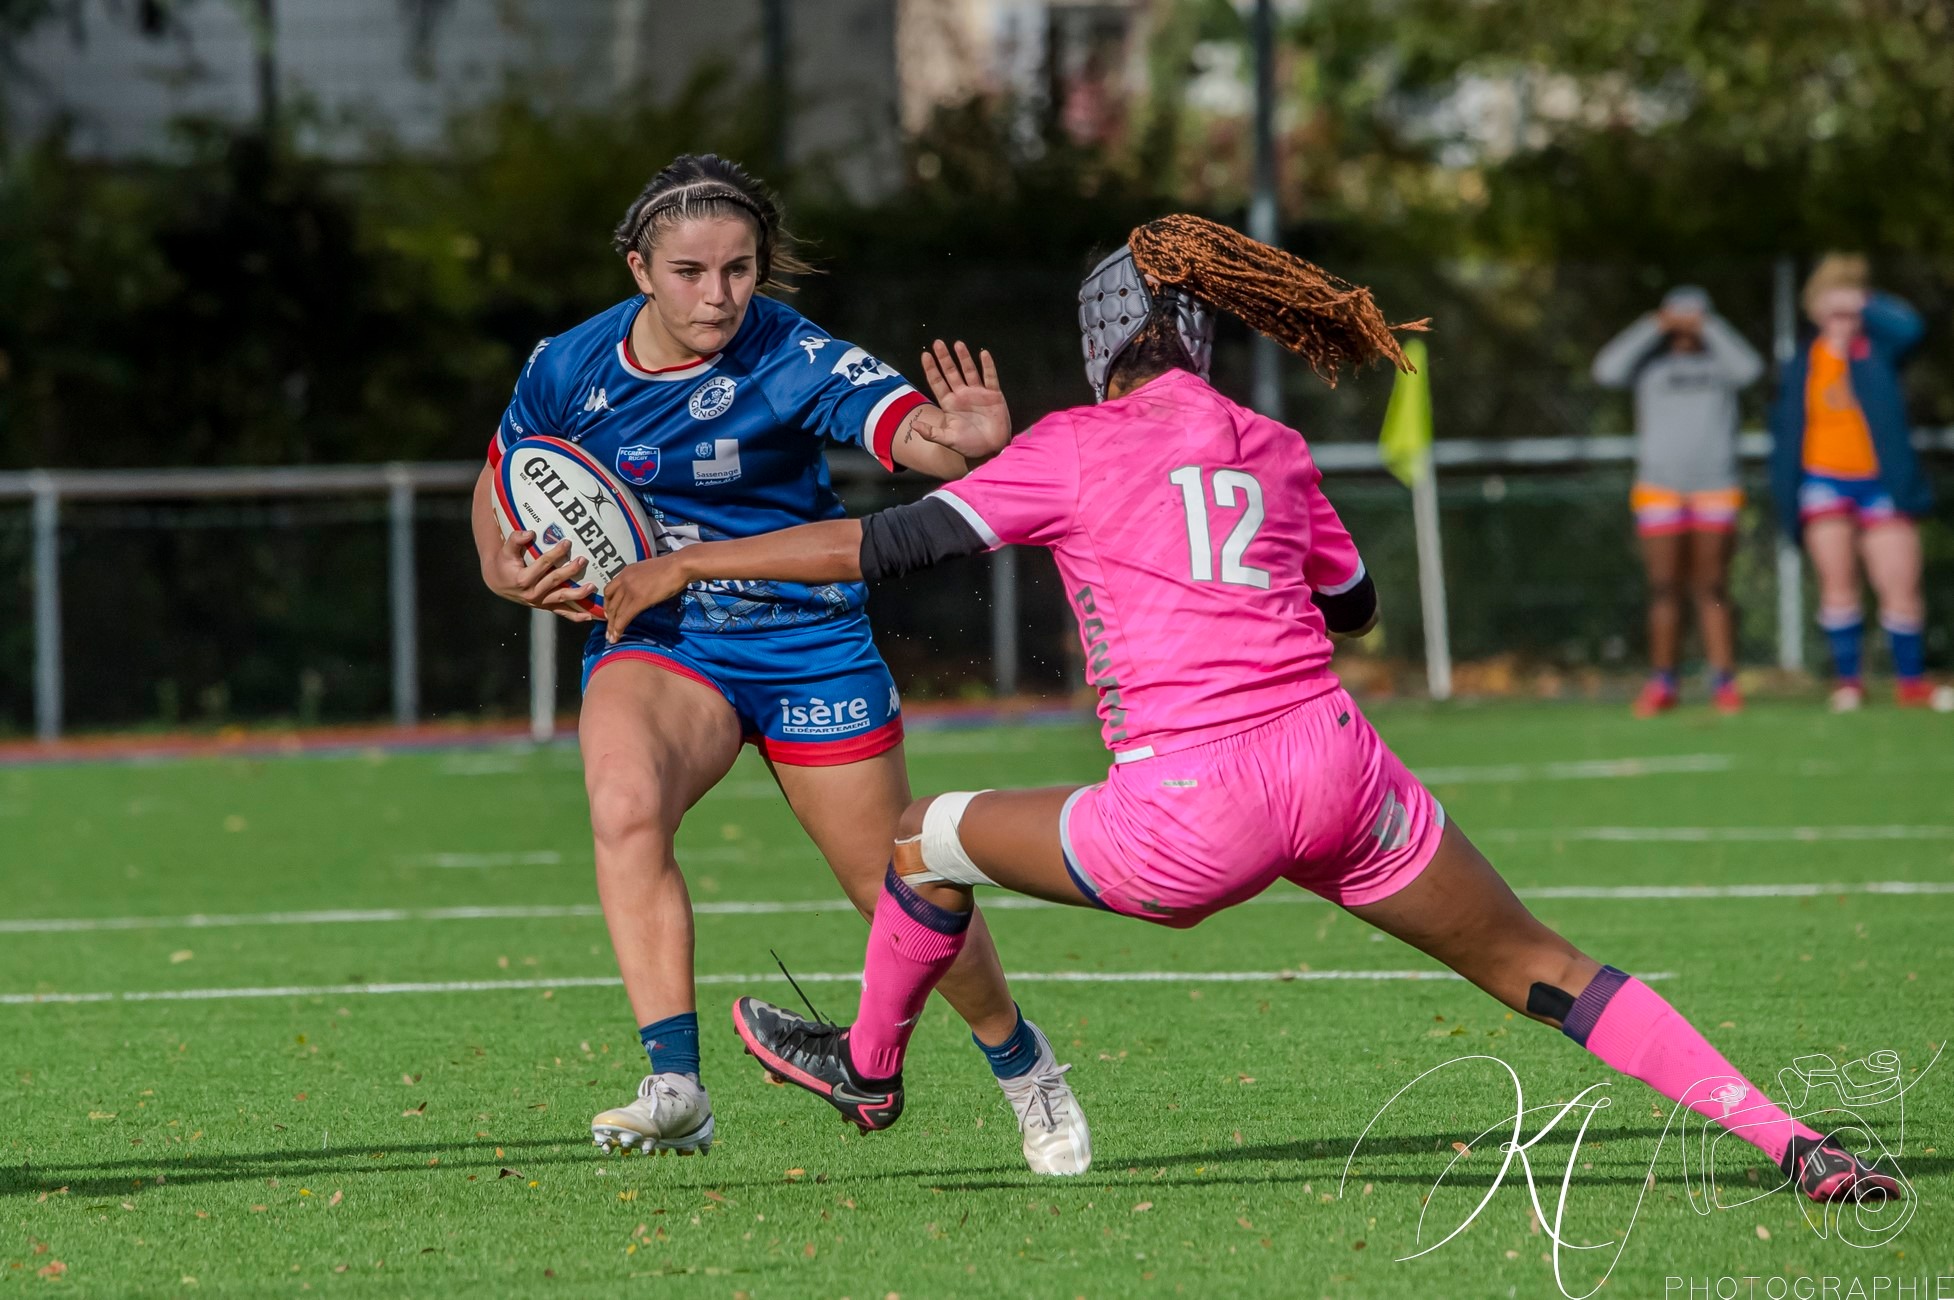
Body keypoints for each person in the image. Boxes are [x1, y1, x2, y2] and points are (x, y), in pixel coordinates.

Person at [604, 215, 1902, 1204]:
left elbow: (875, 547)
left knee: (918, 840)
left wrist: (690, 562)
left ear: (1097, 345)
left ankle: (871, 1071)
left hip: (1188, 811)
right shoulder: (1271, 445)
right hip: (1342, 775)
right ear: (1202, 340)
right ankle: (1789, 1139)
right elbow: (1355, 604)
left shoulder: (1066, 446)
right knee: (1546, 969)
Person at [469, 153, 1091, 1174]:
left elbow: (914, 436)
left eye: (739, 269)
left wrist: (964, 440)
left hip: (809, 645)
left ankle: (1023, 1065)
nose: (718, 295)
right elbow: (502, 474)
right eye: (689, 272)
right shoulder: (566, 366)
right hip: (668, 641)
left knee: (893, 888)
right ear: (639, 270)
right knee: (624, 805)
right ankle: (676, 1086)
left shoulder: (790, 352)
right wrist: (499, 561)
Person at [1769, 255, 1943, 712]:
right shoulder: (1803, 361)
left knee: (1899, 581)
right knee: (1837, 582)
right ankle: (1848, 681)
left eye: (1850, 310)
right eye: (1834, 308)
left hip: (1882, 482)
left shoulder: (1879, 352)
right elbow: (1785, 431)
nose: (1843, 320)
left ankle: (1911, 681)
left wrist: (1866, 302)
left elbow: (1911, 329)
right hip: (1824, 480)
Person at [1592, 287, 1763, 716]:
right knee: (1664, 586)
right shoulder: (1650, 366)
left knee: (1713, 585)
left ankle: (1724, 681)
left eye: (1694, 319)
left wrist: (1711, 327)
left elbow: (1751, 370)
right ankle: (1663, 681)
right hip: (1659, 488)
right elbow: (1606, 370)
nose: (1686, 327)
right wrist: (1652, 325)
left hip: (1716, 486)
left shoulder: (1720, 364)